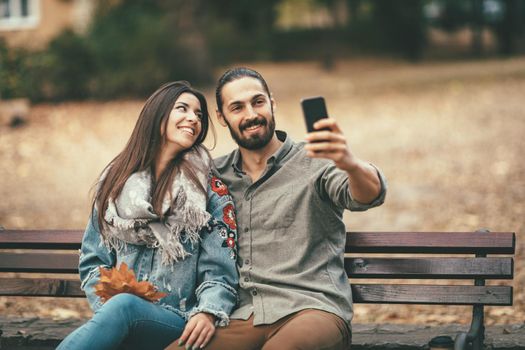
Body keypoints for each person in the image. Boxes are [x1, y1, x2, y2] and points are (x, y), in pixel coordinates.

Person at [167, 67, 386, 350]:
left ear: (272, 103)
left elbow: (368, 195)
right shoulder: (212, 175)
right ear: (221, 117)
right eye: (237, 107)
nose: (251, 114)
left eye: (258, 102)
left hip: (311, 310)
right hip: (241, 316)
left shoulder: (316, 160)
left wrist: (349, 162)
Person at [57, 81, 238, 350]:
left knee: (125, 307)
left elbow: (220, 270)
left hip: (178, 320)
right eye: (183, 109)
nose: (193, 118)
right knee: (122, 308)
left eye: (199, 114)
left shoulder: (208, 189)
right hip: (118, 315)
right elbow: (93, 261)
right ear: (158, 115)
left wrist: (208, 311)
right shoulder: (116, 182)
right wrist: (108, 310)